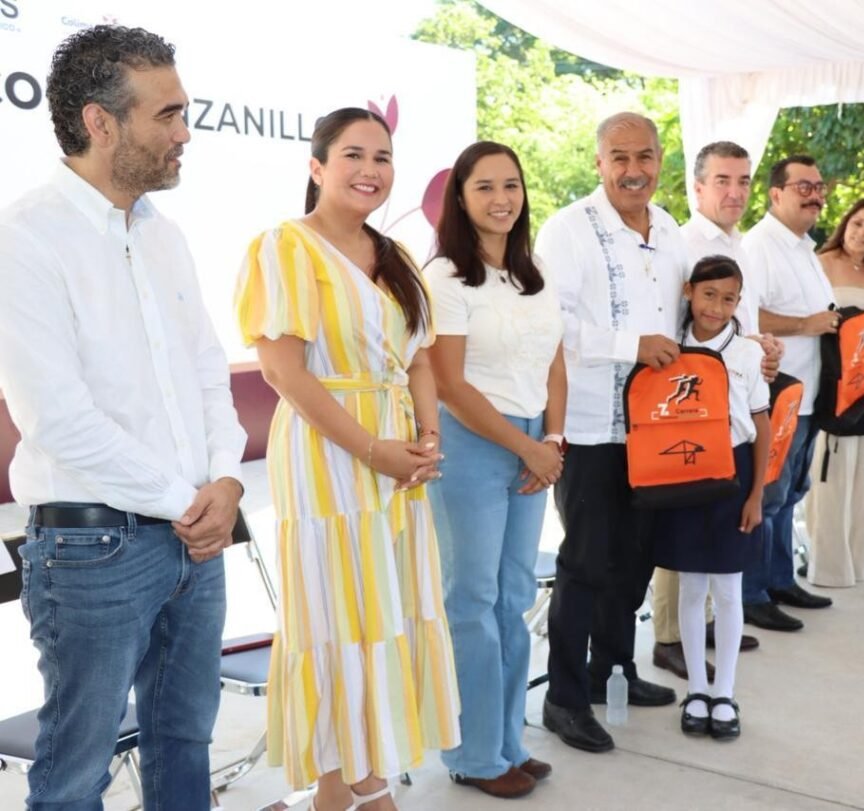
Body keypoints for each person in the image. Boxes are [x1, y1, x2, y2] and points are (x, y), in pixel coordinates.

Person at [0, 25, 247, 809]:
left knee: (185, 742)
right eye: (167, 115)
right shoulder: (24, 238)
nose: (185, 133)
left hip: (194, 540)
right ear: (99, 122)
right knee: (75, 777)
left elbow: (208, 371)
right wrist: (192, 503)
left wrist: (227, 480)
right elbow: (58, 418)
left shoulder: (165, 235)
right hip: (92, 550)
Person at [234, 107, 460, 811]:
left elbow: (418, 358)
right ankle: (364, 787)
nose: (370, 170)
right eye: (353, 155)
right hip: (327, 453)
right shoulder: (284, 246)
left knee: (385, 611)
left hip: (398, 456)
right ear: (317, 167)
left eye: (382, 157)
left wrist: (427, 437)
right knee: (339, 615)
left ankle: (345, 788)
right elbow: (282, 371)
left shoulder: (395, 256)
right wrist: (371, 449)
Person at [533, 112, 684, 754]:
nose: (633, 170)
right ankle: (564, 699)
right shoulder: (567, 230)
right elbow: (552, 323)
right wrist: (632, 344)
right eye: (619, 157)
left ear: (660, 160)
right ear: (598, 163)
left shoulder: (670, 229)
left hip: (657, 428)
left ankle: (613, 670)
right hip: (590, 424)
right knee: (587, 563)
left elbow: (684, 318)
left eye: (644, 156)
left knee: (636, 559)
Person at [424, 141, 566, 799]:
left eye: (511, 184)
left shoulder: (534, 270)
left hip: (536, 440)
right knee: (472, 601)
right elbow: (450, 385)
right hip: (473, 444)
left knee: (514, 598)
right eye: (484, 186)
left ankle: (508, 742)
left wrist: (552, 439)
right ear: (460, 197)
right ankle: (473, 755)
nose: (501, 198)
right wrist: (527, 448)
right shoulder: (445, 278)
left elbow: (554, 360)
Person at [651, 141, 770, 680]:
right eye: (723, 180)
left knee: (718, 548)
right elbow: (677, 325)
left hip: (737, 399)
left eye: (743, 180)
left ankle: (706, 628)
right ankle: (670, 636)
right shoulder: (681, 244)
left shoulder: (741, 244)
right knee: (683, 542)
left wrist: (760, 349)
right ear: (697, 187)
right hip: (687, 409)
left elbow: (740, 319)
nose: (735, 191)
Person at [654, 255, 770, 741]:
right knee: (690, 585)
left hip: (733, 474)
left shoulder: (746, 353)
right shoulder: (668, 346)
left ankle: (724, 691)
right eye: (708, 295)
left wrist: (756, 493)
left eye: (728, 299)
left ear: (738, 303)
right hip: (681, 471)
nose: (716, 307)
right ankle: (696, 690)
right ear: (688, 291)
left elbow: (761, 423)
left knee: (726, 589)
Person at [742, 155, 835, 632]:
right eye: (803, 187)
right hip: (776, 395)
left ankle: (780, 580)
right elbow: (746, 316)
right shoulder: (758, 246)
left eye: (819, 187)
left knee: (792, 493)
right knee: (768, 496)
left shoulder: (804, 248)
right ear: (775, 193)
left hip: (809, 393)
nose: (815, 195)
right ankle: (751, 594)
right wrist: (805, 324)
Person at [804, 198, 864, 586]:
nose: (862, 233)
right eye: (858, 223)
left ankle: (857, 562)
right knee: (832, 474)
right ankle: (828, 567)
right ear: (845, 223)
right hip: (833, 381)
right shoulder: (820, 263)